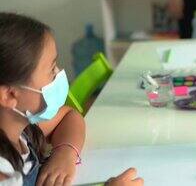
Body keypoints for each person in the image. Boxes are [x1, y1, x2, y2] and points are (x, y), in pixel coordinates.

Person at [0, 13, 142, 186]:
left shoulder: (20, 129)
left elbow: (69, 116)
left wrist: (64, 153)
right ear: (9, 95)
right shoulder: (4, 175)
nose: (59, 74)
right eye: (51, 70)